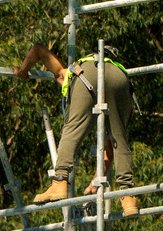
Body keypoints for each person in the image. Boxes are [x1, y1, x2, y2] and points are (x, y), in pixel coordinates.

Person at [13, 43, 139, 216]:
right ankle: (128, 197)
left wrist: (22, 71)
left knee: (72, 129)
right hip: (121, 78)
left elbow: (38, 49)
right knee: (119, 138)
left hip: (85, 74)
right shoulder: (115, 68)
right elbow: (110, 147)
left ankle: (59, 182)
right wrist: (95, 181)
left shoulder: (68, 73)